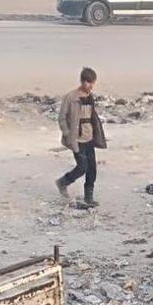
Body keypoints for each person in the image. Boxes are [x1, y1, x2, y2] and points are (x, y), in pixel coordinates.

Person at [57, 66, 106, 209]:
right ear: (82, 81)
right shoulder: (71, 97)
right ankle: (63, 182)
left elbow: (92, 117)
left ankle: (89, 197)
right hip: (76, 139)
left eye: (93, 83)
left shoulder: (90, 97)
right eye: (88, 83)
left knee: (92, 169)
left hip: (89, 137)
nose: (90, 86)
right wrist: (67, 134)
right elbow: (61, 118)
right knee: (82, 167)